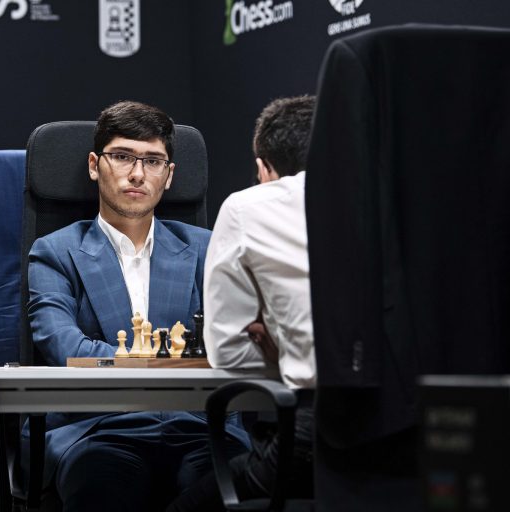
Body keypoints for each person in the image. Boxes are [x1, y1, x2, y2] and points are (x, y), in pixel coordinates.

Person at [27, 100, 250, 511]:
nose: (137, 173)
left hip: (197, 424)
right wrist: (165, 361)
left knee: (226, 486)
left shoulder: (204, 247)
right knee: (103, 485)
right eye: (123, 156)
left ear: (169, 176)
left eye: (152, 161)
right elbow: (62, 346)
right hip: (99, 427)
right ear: (95, 165)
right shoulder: (55, 251)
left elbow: (232, 344)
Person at [167, 95, 317, 511]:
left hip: (319, 434)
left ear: (263, 167)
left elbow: (228, 350)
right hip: (419, 429)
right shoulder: (397, 194)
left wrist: (287, 346)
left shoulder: (249, 207)